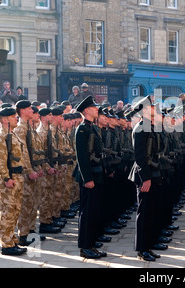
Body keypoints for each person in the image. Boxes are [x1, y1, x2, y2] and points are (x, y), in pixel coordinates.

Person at [128, 95, 164, 262]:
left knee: (151, 212)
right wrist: (146, 178)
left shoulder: (151, 127)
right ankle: (142, 249)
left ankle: (148, 246)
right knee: (143, 213)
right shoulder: (140, 128)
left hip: (153, 173)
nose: (154, 109)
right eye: (151, 107)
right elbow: (140, 157)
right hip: (144, 175)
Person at [74, 95, 106, 259]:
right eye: (94, 107)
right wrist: (87, 179)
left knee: (94, 212)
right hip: (89, 177)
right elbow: (82, 157)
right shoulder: (82, 129)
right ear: (86, 110)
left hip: (97, 174)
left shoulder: (93, 128)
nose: (97, 109)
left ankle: (91, 244)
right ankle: (85, 246)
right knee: (87, 213)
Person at [0, 107, 26, 255]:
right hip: (9, 178)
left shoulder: (11, 135)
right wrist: (6, 178)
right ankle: (6, 245)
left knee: (15, 210)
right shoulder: (1, 136)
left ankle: (12, 241)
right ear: (5, 120)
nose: (16, 119)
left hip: (17, 177)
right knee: (7, 211)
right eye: (13, 117)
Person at [14, 100, 41, 246]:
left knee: (32, 203)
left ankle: (30, 230)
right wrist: (30, 170)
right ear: (23, 111)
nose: (32, 111)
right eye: (30, 109)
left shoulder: (28, 128)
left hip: (32, 170)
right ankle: (23, 234)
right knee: (25, 204)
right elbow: (23, 153)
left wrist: (38, 168)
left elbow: (33, 152)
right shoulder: (20, 129)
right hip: (25, 172)